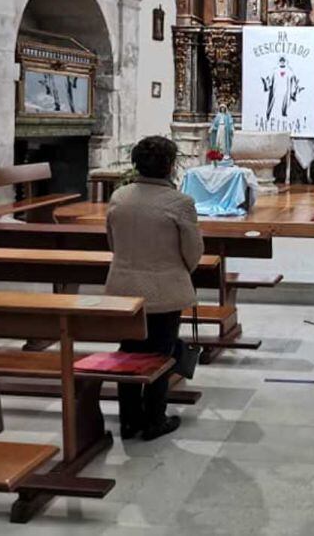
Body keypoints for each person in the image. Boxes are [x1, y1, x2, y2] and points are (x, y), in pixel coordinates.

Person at [105, 136, 203, 441]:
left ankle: (129, 420)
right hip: (164, 290)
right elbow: (193, 251)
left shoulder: (120, 197)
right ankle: (154, 419)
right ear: (170, 166)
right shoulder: (180, 203)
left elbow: (112, 241)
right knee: (161, 352)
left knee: (129, 351)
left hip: (124, 290)